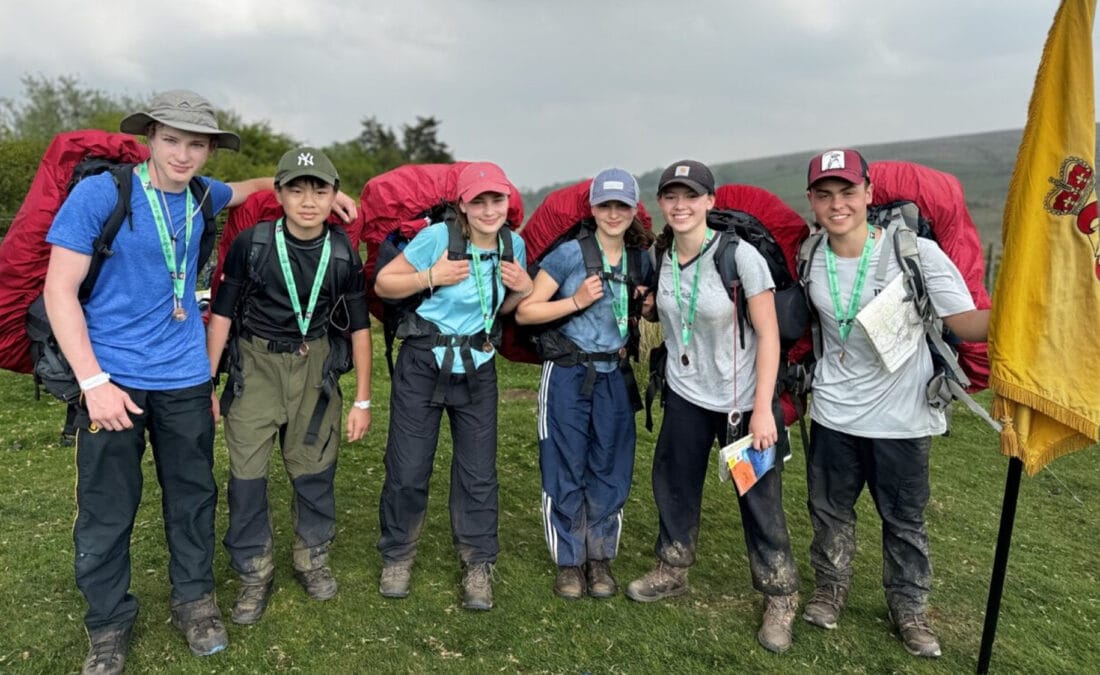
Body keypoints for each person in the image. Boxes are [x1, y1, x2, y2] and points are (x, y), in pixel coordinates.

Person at [43, 90, 355, 675]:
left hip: (186, 377)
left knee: (192, 497)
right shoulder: (101, 195)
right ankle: (108, 625)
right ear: (149, 139)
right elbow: (58, 290)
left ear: (209, 150)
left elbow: (254, 187)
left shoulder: (202, 194)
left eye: (196, 144)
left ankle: (195, 602)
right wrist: (93, 381)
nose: (183, 155)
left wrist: (328, 194)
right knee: (108, 508)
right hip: (113, 380)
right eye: (171, 140)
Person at [799, 148, 989, 658]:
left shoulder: (915, 253)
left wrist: (1025, 310)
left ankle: (909, 608)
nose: (837, 204)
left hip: (902, 419)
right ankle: (829, 589)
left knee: (904, 520)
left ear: (868, 193)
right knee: (829, 512)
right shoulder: (809, 256)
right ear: (811, 200)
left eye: (847, 192)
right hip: (834, 413)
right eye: (824, 194)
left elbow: (966, 322)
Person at [625, 160, 801, 654]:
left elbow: (769, 335)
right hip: (686, 394)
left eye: (691, 196)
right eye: (671, 196)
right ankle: (673, 566)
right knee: (675, 484)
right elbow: (671, 312)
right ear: (661, 203)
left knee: (759, 498)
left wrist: (763, 409)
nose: (680, 205)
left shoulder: (739, 257)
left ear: (710, 201)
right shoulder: (662, 255)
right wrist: (648, 307)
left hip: (741, 404)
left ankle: (780, 594)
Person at [205, 147, 372, 626]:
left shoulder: (342, 252)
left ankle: (311, 558)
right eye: (296, 189)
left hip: (313, 368)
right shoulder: (253, 244)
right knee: (247, 476)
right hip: (255, 366)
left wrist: (362, 400)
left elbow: (360, 328)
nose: (308, 201)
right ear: (278, 194)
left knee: (314, 470)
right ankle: (254, 571)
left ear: (334, 195)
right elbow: (221, 316)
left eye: (319, 190)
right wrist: (207, 384)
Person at [373, 161, 532, 611]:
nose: (488, 210)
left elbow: (501, 309)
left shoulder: (513, 245)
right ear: (462, 204)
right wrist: (431, 277)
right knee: (408, 466)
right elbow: (385, 284)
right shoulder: (437, 238)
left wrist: (522, 288)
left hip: (478, 364)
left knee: (478, 472)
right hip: (423, 361)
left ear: (507, 201)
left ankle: (478, 563)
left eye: (496, 199)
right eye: (478, 201)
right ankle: (398, 555)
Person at [515, 168, 655, 600]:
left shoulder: (640, 260)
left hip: (615, 373)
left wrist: (648, 306)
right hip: (568, 371)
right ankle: (569, 562)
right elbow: (526, 311)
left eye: (622, 206)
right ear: (592, 208)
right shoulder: (568, 255)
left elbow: (647, 310)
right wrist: (575, 301)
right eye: (605, 205)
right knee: (564, 462)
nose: (613, 214)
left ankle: (600, 558)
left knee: (610, 465)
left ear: (633, 210)